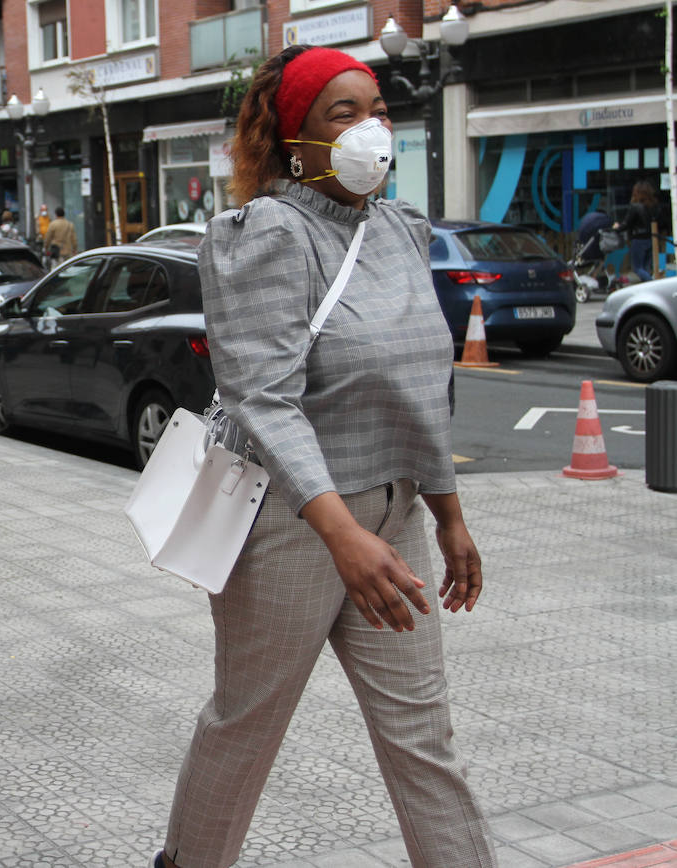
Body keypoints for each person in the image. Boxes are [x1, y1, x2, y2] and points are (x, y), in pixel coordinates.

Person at [151, 45, 496, 868]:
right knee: (248, 724)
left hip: (394, 514)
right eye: (344, 113)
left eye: (376, 109)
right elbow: (261, 394)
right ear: (294, 140)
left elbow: (421, 387)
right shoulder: (265, 231)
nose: (371, 128)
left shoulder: (400, 230)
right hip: (291, 525)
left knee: (424, 734)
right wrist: (341, 534)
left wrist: (447, 515)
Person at [615, 179, 661, 282]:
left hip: (638, 239)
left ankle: (652, 284)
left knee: (637, 268)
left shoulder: (635, 207)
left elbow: (627, 224)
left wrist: (616, 229)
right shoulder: (654, 205)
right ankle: (648, 287)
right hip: (651, 239)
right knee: (646, 268)